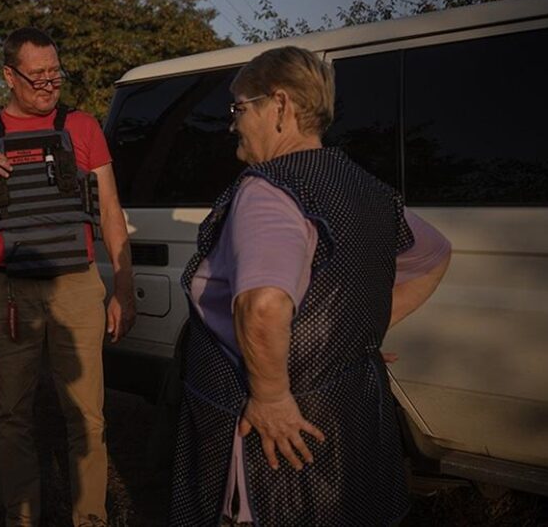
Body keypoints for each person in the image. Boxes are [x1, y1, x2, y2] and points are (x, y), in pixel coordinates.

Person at [168, 47, 452, 526]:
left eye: (239, 108)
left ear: (279, 106)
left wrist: (272, 396)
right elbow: (434, 255)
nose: (232, 124)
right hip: (345, 413)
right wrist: (348, 332)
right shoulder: (367, 186)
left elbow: (262, 306)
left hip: (278, 439)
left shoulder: (267, 189)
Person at [0, 27, 137, 527]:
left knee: (87, 418)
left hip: (77, 286)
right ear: (9, 76)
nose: (48, 83)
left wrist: (124, 287)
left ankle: (90, 519)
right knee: (12, 416)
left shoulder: (82, 127)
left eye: (54, 72)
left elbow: (109, 210)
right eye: (36, 75)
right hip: (6, 291)